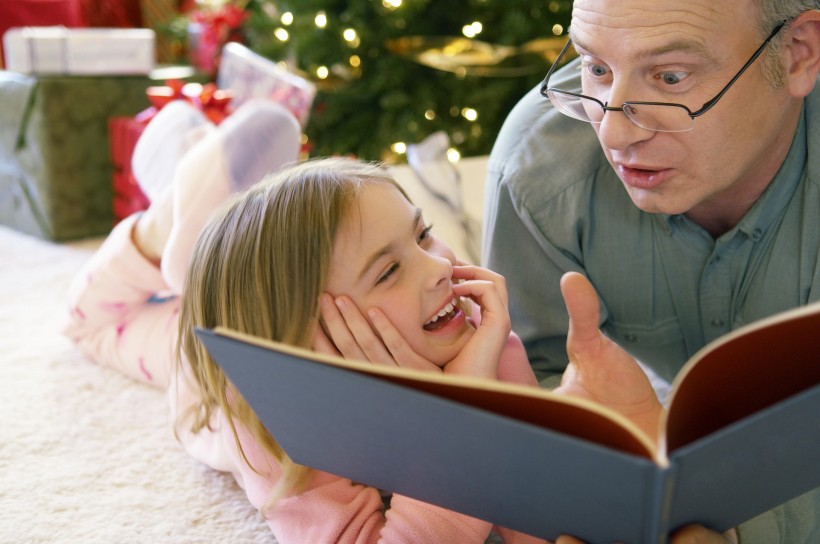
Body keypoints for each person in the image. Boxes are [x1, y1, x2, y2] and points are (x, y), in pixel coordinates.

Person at [66, 97, 650, 542]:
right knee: (92, 322)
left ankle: (208, 182)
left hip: (270, 292)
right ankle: (170, 213)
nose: (438, 268)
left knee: (257, 237)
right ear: (311, 339)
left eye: (422, 234)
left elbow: (522, 504)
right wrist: (463, 410)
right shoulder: (272, 429)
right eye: (388, 271)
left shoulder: (471, 331)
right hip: (204, 358)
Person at [483, 0, 820, 542]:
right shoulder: (538, 171)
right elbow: (533, 381)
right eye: (595, 68)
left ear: (799, 53)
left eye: (669, 77)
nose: (614, 137)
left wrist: (704, 515)